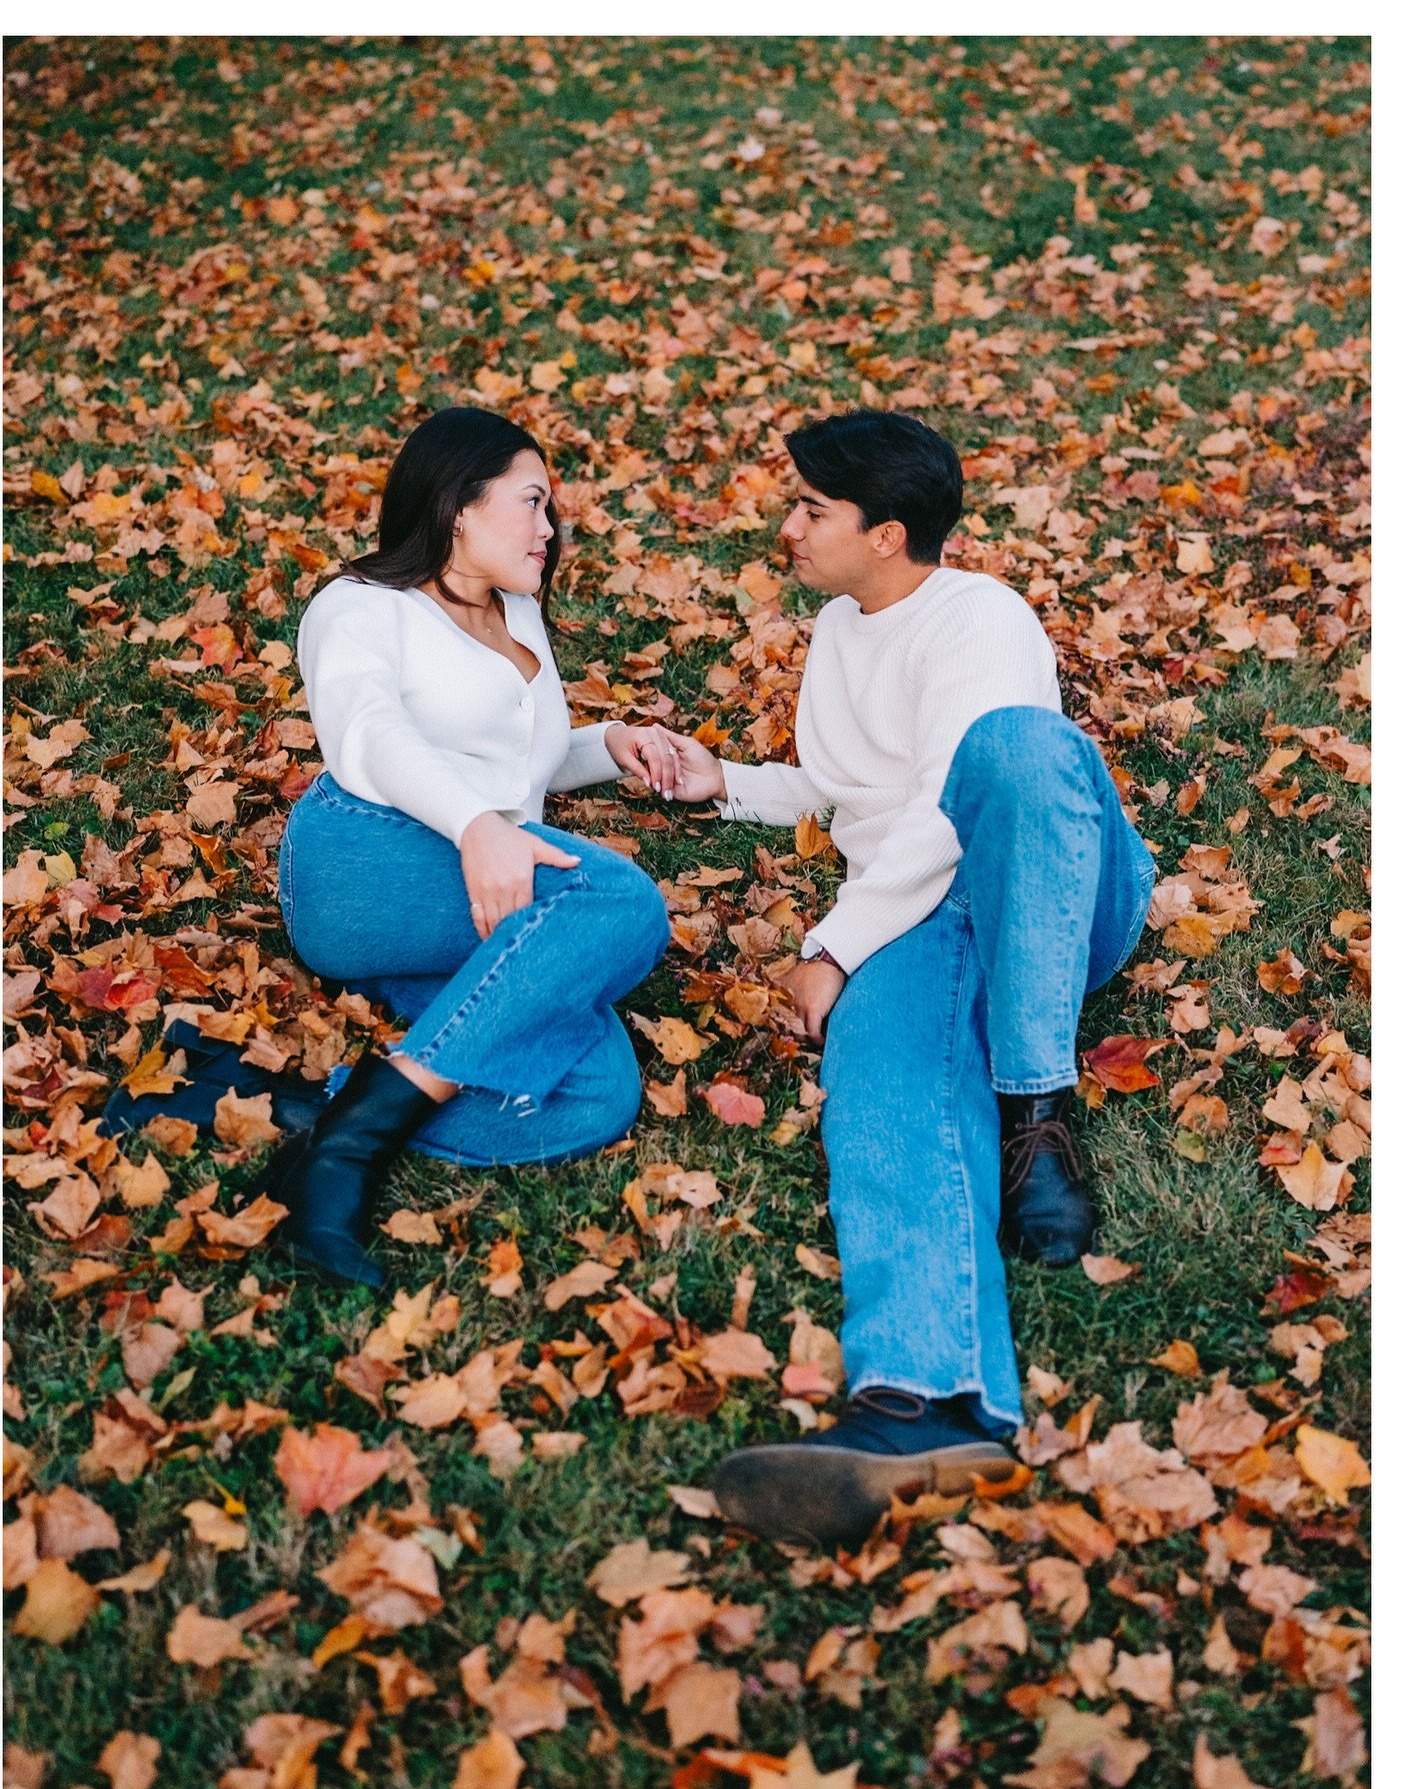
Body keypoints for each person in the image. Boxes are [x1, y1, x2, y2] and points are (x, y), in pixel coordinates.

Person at [659, 410, 1157, 1550]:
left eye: (811, 510)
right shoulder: (840, 627)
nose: (788, 526)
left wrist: (836, 943)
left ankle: (1037, 1113)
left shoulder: (981, 616)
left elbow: (943, 808)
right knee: (879, 1078)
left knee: (1016, 747)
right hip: (919, 912)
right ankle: (926, 1402)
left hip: (1045, 885)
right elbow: (848, 793)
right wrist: (720, 781)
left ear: (885, 533)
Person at [267, 407, 676, 1289]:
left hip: (473, 876)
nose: (549, 526)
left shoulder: (515, 608)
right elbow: (370, 737)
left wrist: (608, 745)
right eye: (531, 501)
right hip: (359, 861)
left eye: (550, 507)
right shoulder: (360, 607)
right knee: (621, 901)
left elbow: (510, 764)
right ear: (459, 505)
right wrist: (476, 826)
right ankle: (346, 1161)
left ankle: (309, 1110)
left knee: (596, 1093)